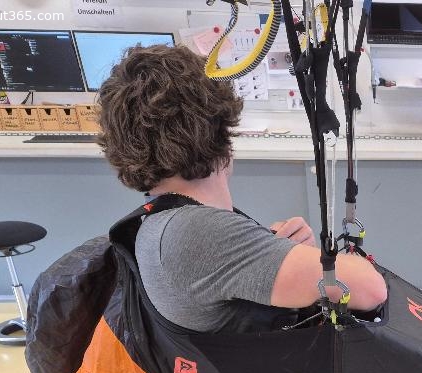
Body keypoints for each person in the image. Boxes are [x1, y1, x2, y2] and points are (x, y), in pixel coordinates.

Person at [96, 44, 387, 333]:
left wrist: (279, 252)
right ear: (219, 127)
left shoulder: (162, 223)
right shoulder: (196, 233)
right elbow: (370, 289)